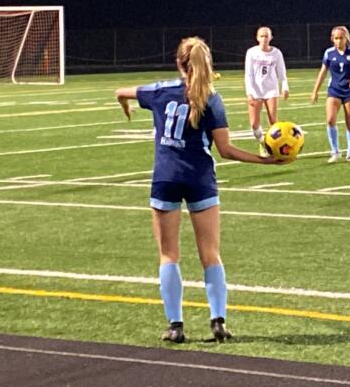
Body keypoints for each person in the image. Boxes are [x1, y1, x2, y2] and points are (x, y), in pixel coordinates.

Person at [114, 37, 284, 344]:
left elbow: (121, 91)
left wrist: (124, 103)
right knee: (210, 254)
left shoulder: (159, 90)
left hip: (165, 177)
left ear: (178, 63)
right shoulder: (211, 98)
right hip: (200, 178)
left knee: (168, 254)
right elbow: (226, 150)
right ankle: (218, 322)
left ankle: (175, 326)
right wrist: (266, 161)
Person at [310, 26, 350, 162]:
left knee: (349, 122)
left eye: (341, 38)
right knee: (330, 120)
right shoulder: (329, 53)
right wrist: (315, 91)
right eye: (336, 38)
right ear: (332, 39)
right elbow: (322, 72)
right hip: (334, 90)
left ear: (346, 38)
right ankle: (335, 151)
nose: (338, 41)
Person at [244, 26, 289, 156]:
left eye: (266, 36)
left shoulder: (276, 53)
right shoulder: (251, 52)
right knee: (254, 124)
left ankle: (275, 147)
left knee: (273, 121)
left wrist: (285, 87)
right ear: (257, 38)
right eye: (262, 36)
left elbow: (281, 72)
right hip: (256, 91)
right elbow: (249, 74)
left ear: (271, 37)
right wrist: (249, 92)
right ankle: (263, 143)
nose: (264, 39)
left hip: (271, 90)